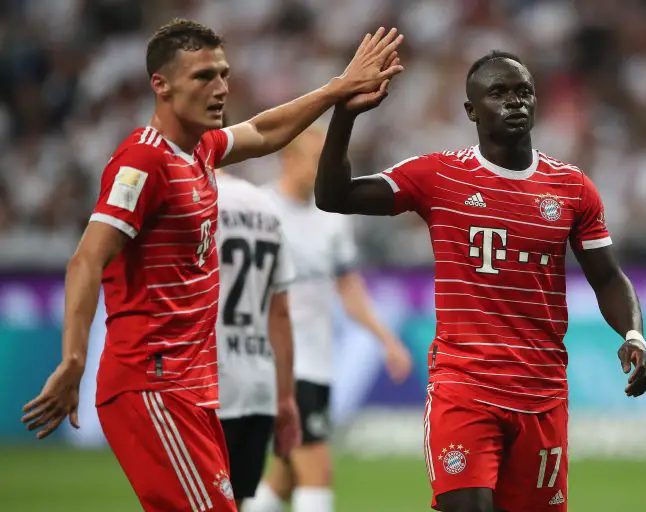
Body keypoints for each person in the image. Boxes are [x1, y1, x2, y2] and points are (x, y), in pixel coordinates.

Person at [20, 19, 403, 512]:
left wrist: (336, 89)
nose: (220, 87)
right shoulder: (143, 161)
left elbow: (265, 130)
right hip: (153, 382)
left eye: (223, 74)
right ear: (161, 84)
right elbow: (87, 258)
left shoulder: (200, 150)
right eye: (203, 76)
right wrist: (73, 359)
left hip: (193, 388)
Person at [313, 50, 646, 512]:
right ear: (472, 110)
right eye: (498, 93)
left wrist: (633, 333)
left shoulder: (572, 188)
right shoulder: (437, 175)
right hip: (465, 387)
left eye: (524, 92)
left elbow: (609, 278)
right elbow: (334, 197)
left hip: (542, 393)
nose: (515, 102)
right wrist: (344, 116)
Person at [247, 127, 413, 512]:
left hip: (317, 364)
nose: (325, 167)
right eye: (314, 157)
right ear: (288, 158)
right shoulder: (261, 210)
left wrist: (386, 340)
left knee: (286, 476)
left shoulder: (333, 218)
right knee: (317, 470)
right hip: (280, 363)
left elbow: (349, 289)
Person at [215, 168, 300, 510]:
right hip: (257, 385)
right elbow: (279, 313)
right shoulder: (265, 206)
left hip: (203, 383)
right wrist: (285, 397)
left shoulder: (189, 197)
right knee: (235, 502)